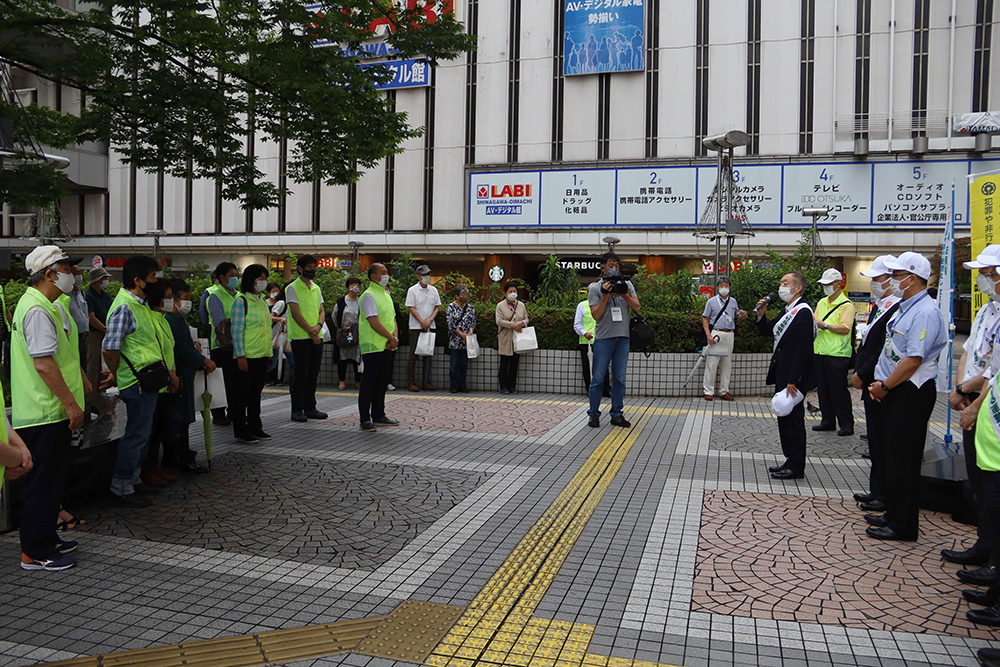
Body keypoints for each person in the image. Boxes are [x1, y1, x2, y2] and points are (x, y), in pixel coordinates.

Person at [13, 246, 92, 571]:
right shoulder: (37, 309)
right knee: (42, 484)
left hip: (51, 410)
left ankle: (47, 536)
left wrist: (83, 381)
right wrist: (72, 405)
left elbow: (63, 356)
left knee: (52, 481)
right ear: (49, 273)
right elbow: (44, 365)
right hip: (44, 411)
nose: (72, 274)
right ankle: (35, 551)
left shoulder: (49, 305)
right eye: (66, 268)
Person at [865, 252, 946, 541]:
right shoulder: (905, 307)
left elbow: (913, 359)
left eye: (897, 276)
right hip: (894, 389)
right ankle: (893, 513)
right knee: (892, 456)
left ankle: (903, 524)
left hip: (909, 392)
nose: (892, 280)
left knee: (904, 459)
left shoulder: (925, 311)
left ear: (912, 279)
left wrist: (884, 386)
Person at [942, 246, 1000, 566]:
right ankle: (984, 544)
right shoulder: (985, 311)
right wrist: (960, 390)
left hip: (988, 407)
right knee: (980, 482)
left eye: (989, 275)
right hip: (972, 403)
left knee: (993, 487)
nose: (983, 280)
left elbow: (994, 368)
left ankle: (992, 556)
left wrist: (971, 395)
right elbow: (968, 353)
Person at [102, 255, 164, 507]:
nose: (156, 282)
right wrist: (115, 373)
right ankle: (121, 486)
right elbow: (109, 348)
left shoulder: (141, 305)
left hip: (147, 379)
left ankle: (133, 480)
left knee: (142, 433)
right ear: (137, 280)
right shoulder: (125, 307)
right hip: (136, 382)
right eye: (152, 278)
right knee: (136, 434)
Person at [849, 256, 901, 514]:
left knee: (886, 441)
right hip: (872, 381)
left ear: (892, 280)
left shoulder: (897, 308)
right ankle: (877, 490)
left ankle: (886, 495)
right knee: (875, 440)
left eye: (878, 279)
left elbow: (883, 348)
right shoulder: (880, 306)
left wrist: (863, 372)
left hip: (882, 381)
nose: (874, 284)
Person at [755, 271, 816, 480]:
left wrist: (794, 379)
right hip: (783, 372)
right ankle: (789, 460)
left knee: (794, 420)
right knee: (784, 417)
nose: (781, 286)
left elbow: (803, 349)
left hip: (794, 376)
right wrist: (761, 314)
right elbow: (769, 331)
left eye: (785, 282)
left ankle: (796, 465)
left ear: (797, 288)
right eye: (781, 282)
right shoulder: (787, 310)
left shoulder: (804, 312)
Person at [163, 279, 214, 474]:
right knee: (180, 417)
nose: (188, 303)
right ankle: (179, 456)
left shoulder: (176, 319)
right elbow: (182, 349)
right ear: (174, 300)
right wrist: (203, 360)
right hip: (179, 373)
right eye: (185, 299)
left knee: (182, 415)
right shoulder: (171, 320)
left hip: (183, 372)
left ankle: (179, 454)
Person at [587, 253, 640, 427]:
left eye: (616, 264)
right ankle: (593, 413)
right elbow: (596, 315)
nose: (614, 267)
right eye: (610, 264)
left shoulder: (627, 284)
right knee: (598, 378)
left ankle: (617, 414)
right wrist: (605, 295)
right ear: (602, 267)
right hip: (604, 338)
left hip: (623, 338)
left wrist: (624, 293)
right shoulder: (595, 288)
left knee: (619, 378)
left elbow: (637, 307)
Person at [140, 281, 181, 485]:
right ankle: (147, 469)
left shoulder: (164, 319)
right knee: (152, 428)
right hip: (156, 380)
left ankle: (155, 467)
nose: (170, 300)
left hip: (166, 381)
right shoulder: (151, 318)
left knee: (162, 427)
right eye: (167, 296)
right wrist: (170, 375)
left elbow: (168, 349)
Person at [230, 264, 274, 444]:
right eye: (260, 278)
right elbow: (237, 331)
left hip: (262, 354)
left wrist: (268, 351)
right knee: (243, 395)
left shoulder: (262, 301)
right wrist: (240, 355)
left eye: (265, 278)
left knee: (256, 394)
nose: (263, 282)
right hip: (247, 356)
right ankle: (241, 430)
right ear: (251, 279)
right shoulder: (242, 301)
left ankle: (256, 426)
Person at [812, 268, 857, 436]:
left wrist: (825, 325)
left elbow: (845, 329)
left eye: (829, 284)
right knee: (823, 389)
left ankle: (846, 424)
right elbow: (815, 320)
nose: (826, 287)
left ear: (839, 284)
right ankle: (827, 421)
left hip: (838, 354)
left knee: (838, 391)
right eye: (824, 284)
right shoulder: (821, 302)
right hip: (821, 351)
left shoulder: (846, 305)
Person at [358, 263, 400, 432]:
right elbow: (373, 321)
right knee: (369, 383)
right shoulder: (368, 295)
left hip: (387, 346)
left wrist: (394, 338)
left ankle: (378, 414)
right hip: (373, 345)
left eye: (386, 272)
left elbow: (393, 319)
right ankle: (364, 418)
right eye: (383, 273)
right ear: (373, 277)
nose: (386, 275)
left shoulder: (386, 295)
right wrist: (391, 337)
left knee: (382, 382)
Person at [287, 255, 328, 423]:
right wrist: (311, 331)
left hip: (317, 336)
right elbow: (295, 313)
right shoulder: (292, 288)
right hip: (300, 337)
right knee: (300, 375)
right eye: (309, 267)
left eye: (314, 267)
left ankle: (310, 407)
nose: (313, 270)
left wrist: (318, 327)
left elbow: (322, 310)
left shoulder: (316, 288)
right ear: (300, 269)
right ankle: (297, 409)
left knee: (313, 374)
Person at [701, 277, 747, 401]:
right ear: (717, 287)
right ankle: (708, 391)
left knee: (727, 364)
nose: (724, 288)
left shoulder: (733, 301)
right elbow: (705, 318)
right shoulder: (711, 302)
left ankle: (724, 390)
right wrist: (708, 335)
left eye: (726, 285)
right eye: (721, 285)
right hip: (717, 333)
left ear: (730, 287)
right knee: (712, 363)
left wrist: (742, 315)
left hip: (729, 334)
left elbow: (736, 316)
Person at [206, 262, 238, 427]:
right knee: (221, 381)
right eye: (231, 275)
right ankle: (218, 414)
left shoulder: (237, 295)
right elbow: (218, 322)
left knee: (234, 382)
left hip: (237, 346)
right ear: (221, 278)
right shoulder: (215, 295)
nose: (235, 278)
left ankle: (233, 412)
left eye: (236, 274)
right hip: (221, 345)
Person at [405, 264, 441, 392]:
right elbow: (411, 307)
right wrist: (421, 321)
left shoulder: (433, 290)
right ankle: (411, 382)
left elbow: (437, 306)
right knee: (413, 356)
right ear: (418, 277)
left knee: (428, 355)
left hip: (430, 326)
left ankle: (427, 382)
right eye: (425, 275)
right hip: (415, 326)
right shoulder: (412, 290)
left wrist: (430, 320)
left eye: (429, 274)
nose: (427, 277)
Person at [496, 282, 529, 395]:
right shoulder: (500, 306)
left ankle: (512, 386)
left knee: (515, 363)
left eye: (514, 291)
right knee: (504, 363)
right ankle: (503, 386)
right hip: (505, 338)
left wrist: (522, 323)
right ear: (505, 294)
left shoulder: (521, 305)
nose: (513, 293)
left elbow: (526, 318)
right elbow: (499, 321)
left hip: (518, 338)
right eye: (510, 291)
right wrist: (513, 325)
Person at [574, 297, 610, 396]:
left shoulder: (604, 304)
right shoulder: (582, 305)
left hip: (602, 340)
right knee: (587, 366)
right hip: (587, 341)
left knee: (603, 366)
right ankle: (590, 389)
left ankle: (605, 389)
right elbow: (577, 324)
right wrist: (585, 333)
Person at [333, 276, 363, 390]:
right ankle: (342, 381)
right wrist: (340, 327)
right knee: (343, 359)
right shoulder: (341, 301)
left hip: (358, 334)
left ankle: (358, 381)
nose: (354, 287)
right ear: (347, 287)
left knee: (357, 358)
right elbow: (334, 316)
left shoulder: (361, 301)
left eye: (357, 285)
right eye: (352, 284)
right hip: (344, 333)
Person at [85, 267, 113, 389]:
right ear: (97, 280)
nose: (107, 281)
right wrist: (104, 329)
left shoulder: (106, 295)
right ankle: (91, 389)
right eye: (104, 279)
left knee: (105, 362)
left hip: (106, 332)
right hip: (94, 333)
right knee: (93, 362)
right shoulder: (88, 296)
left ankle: (102, 386)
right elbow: (91, 317)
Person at [446, 285, 476, 393]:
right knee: (454, 364)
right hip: (455, 340)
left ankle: (462, 384)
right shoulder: (451, 307)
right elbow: (451, 324)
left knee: (464, 363)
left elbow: (473, 322)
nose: (465, 297)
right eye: (462, 295)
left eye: (466, 295)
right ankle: (453, 384)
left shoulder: (470, 307)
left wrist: (469, 333)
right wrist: (462, 335)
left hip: (467, 341)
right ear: (456, 296)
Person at [266, 282, 294, 386]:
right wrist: (280, 319)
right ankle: (257, 379)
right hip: (276, 338)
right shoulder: (282, 303)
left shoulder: (292, 304)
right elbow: (270, 317)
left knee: (293, 362)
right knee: (272, 364)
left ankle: (293, 383)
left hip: (286, 337)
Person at [66, 264, 89, 371]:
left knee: (84, 366)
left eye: (80, 273)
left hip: (84, 337)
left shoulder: (81, 292)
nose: (79, 276)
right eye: (76, 273)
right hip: (72, 337)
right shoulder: (64, 294)